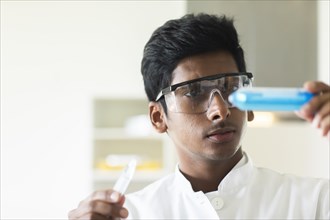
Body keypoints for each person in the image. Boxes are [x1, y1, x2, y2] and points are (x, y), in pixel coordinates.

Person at [69, 13, 330, 219]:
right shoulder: (132, 215)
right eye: (193, 92)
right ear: (158, 117)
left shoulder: (316, 201)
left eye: (230, 86)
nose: (220, 109)